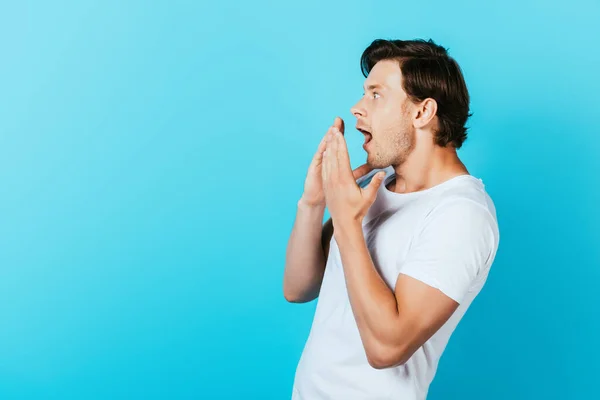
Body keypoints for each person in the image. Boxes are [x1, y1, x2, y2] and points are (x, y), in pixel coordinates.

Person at [283, 38, 500, 399]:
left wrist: (348, 222)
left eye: (376, 95)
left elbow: (386, 349)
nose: (356, 108)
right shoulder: (370, 187)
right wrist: (313, 203)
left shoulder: (462, 214)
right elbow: (298, 288)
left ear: (421, 113)